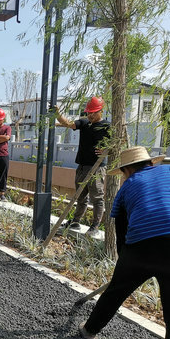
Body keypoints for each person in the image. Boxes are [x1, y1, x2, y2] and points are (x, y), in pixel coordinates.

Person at [79, 146, 170, 339]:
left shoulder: (126, 187)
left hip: (139, 250)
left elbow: (121, 231)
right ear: (152, 162)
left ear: (127, 170)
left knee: (114, 293)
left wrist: (125, 264)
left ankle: (89, 330)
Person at [55, 96, 110, 236]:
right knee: (80, 196)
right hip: (82, 165)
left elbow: (117, 144)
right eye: (89, 112)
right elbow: (68, 124)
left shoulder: (107, 126)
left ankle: (95, 226)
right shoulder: (84, 123)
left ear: (101, 111)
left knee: (97, 197)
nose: (90, 115)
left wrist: (107, 150)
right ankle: (75, 221)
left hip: (97, 167)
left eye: (93, 112)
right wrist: (57, 114)